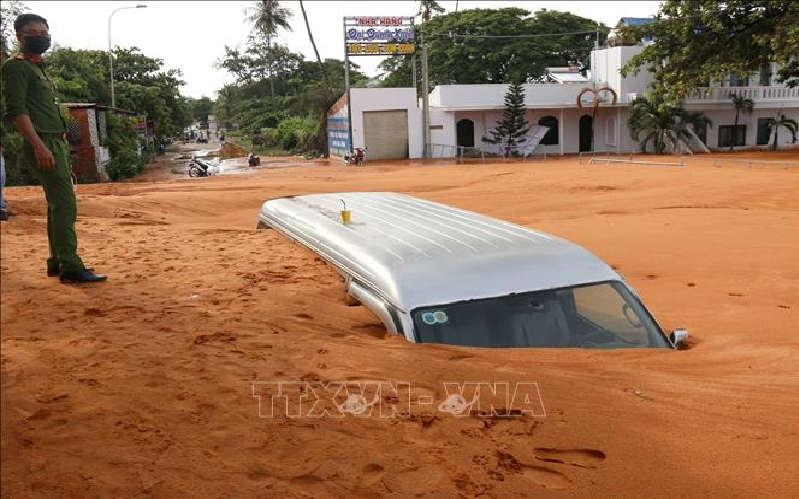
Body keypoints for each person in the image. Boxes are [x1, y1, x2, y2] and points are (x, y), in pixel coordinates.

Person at [1, 13, 106, 282]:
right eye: (33, 32)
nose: (41, 36)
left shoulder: (37, 67)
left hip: (54, 141)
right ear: (19, 36)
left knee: (56, 206)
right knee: (64, 204)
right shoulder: (16, 67)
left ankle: (57, 261)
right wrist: (39, 146)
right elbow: (17, 111)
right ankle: (70, 265)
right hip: (44, 141)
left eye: (44, 31)